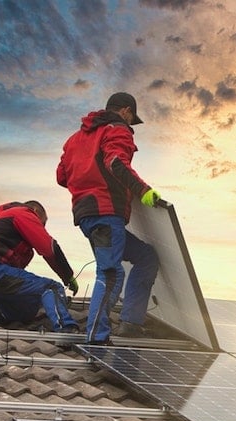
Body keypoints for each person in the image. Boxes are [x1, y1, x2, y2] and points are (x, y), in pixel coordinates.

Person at [57, 92, 160, 344]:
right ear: (126, 111)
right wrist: (143, 191)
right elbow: (115, 161)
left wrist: (86, 175)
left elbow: (61, 176)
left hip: (86, 216)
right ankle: (96, 336)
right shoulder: (118, 129)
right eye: (131, 117)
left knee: (146, 257)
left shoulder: (75, 138)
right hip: (105, 212)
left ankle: (131, 322)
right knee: (111, 273)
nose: (130, 123)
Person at [0, 200, 80, 333]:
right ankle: (66, 329)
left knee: (26, 310)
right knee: (51, 287)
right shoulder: (23, 213)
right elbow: (49, 249)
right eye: (43, 222)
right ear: (36, 211)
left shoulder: (3, 225)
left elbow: (14, 283)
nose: (43, 227)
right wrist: (68, 276)